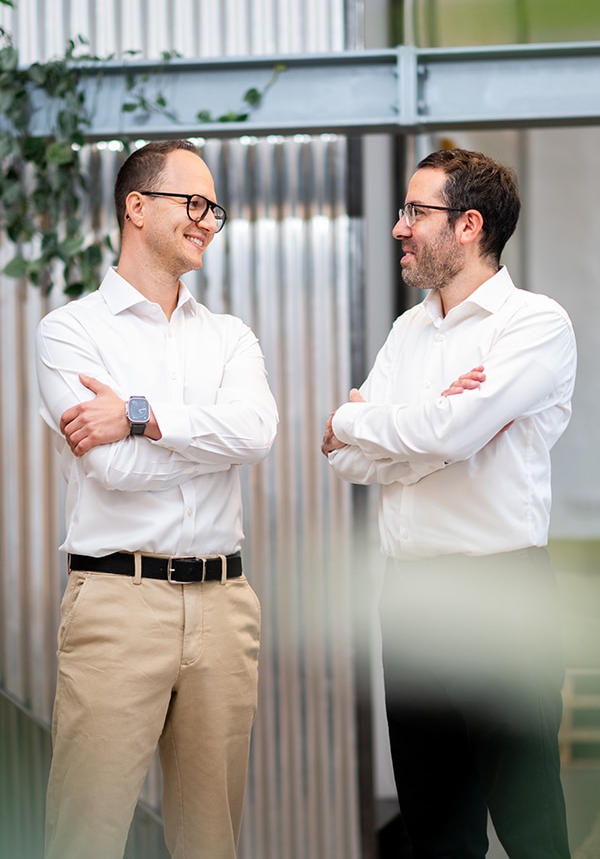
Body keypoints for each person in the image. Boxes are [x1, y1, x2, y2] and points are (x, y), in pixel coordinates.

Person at [322, 148, 576, 859]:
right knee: (436, 829)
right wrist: (425, 428)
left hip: (501, 592)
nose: (400, 228)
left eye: (415, 212)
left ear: (469, 225)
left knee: (530, 829)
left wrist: (353, 419)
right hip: (409, 598)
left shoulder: (535, 324)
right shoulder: (409, 331)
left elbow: (427, 432)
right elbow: (349, 463)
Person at [36, 139, 279, 859]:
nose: (208, 220)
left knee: (211, 842)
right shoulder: (70, 331)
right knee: (87, 832)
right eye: (193, 203)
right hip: (118, 601)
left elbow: (258, 432)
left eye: (214, 209)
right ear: (136, 207)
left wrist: (141, 415)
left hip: (224, 604)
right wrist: (209, 440)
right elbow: (112, 468)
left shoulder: (230, 338)